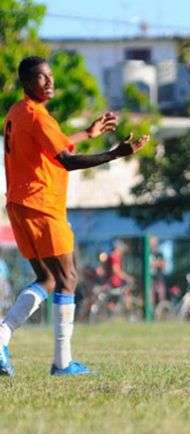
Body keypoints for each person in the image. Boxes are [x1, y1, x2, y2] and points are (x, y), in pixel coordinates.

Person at [0, 56, 149, 376]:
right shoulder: (38, 117)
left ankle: (2, 337)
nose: (49, 82)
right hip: (42, 205)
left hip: (19, 204)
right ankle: (62, 363)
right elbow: (65, 160)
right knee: (67, 278)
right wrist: (114, 154)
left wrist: (88, 132)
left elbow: (53, 147)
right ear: (27, 82)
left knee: (48, 278)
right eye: (41, 78)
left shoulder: (18, 112)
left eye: (50, 77)